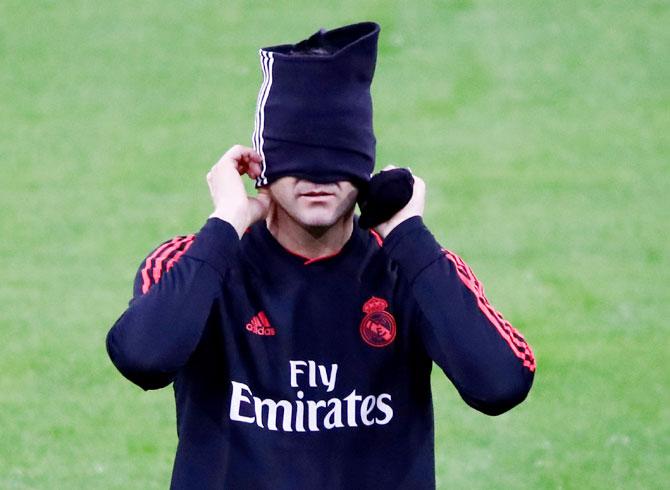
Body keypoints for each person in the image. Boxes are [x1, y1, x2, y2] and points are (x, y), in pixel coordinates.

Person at [106, 22, 535, 489]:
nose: (318, 177)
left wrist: (409, 236)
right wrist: (226, 222)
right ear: (260, 169)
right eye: (296, 158)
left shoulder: (411, 268)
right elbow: (144, 359)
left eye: (338, 157)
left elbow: (500, 385)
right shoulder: (196, 262)